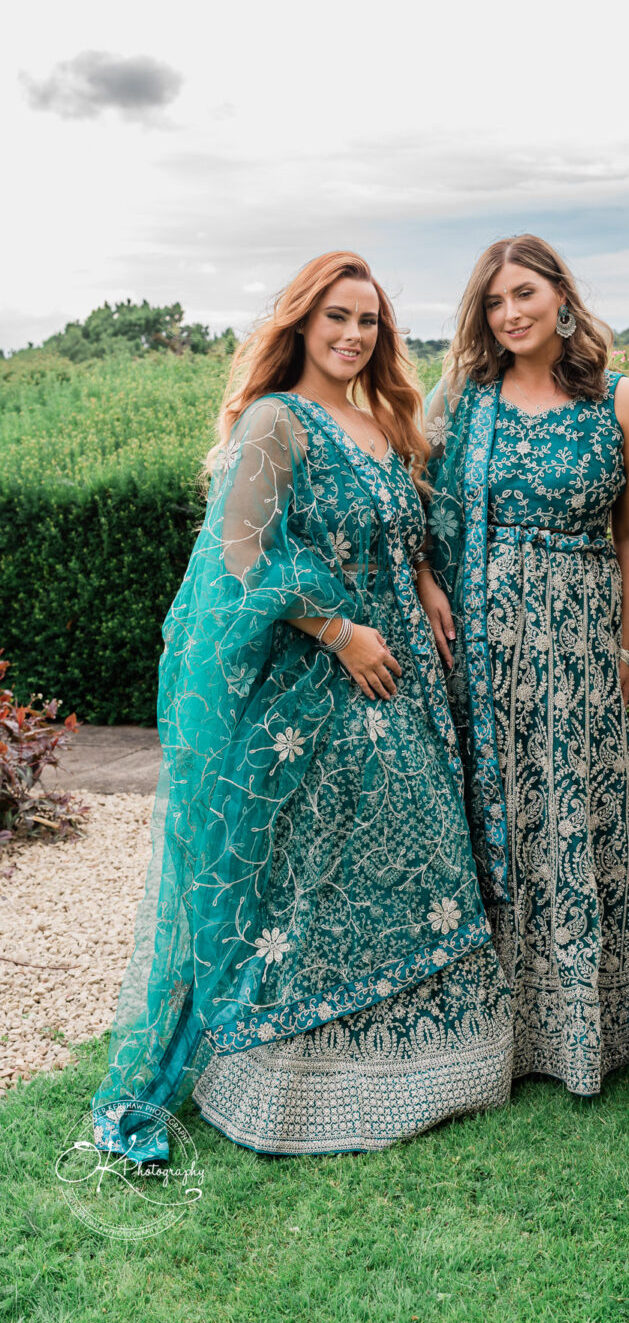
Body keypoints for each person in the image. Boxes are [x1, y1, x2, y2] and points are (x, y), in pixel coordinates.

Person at [92, 252, 511, 1161]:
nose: (354, 336)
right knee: (313, 884)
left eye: (368, 321)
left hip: (400, 687)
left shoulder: (379, 421)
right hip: (317, 693)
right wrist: (337, 631)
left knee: (415, 860)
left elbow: (401, 529)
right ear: (300, 324)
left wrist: (427, 581)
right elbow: (241, 553)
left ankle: (436, 1067)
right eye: (336, 318)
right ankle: (292, 1089)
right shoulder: (277, 421)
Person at [418, 235, 629, 1095]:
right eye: (493, 301)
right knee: (498, 812)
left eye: (523, 293)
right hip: (481, 641)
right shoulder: (462, 400)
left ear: (562, 297)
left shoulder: (623, 402)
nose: (509, 313)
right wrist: (424, 579)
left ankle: (597, 1018)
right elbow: (408, 501)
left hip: (579, 635)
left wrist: (628, 642)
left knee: (579, 807)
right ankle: (501, 1026)